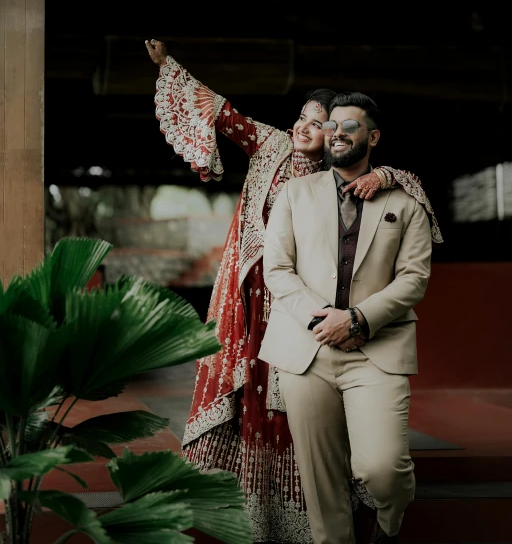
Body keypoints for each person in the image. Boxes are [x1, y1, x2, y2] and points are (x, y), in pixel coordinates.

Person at [145, 40, 442, 544]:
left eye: (318, 121)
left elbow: (407, 191)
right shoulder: (272, 148)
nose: (304, 128)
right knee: (262, 412)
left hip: (348, 322)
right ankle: (272, 516)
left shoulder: (363, 177)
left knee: (352, 447)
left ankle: (351, 510)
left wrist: (384, 174)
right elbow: (224, 113)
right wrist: (169, 68)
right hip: (262, 303)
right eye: (302, 118)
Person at [260, 91, 438, 544]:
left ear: (373, 137)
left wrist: (358, 318)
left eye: (350, 126)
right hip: (307, 351)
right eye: (331, 126)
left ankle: (388, 524)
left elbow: (413, 279)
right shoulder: (293, 194)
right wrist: (321, 319)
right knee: (322, 486)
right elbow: (276, 268)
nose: (337, 134)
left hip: (377, 353)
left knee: (384, 469)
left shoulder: (407, 201)